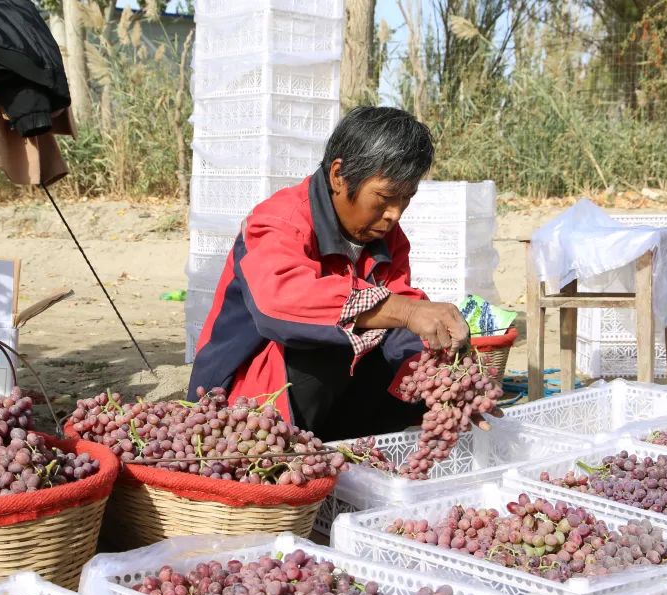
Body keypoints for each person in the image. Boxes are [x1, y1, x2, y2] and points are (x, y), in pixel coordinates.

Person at [187, 106, 470, 440]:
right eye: (384, 197)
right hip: (240, 403)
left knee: (413, 379)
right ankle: (291, 450)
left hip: (325, 400)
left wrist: (445, 384)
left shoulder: (389, 240)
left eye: (406, 198)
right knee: (329, 344)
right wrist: (405, 311)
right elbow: (277, 306)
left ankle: (342, 451)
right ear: (339, 176)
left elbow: (401, 317)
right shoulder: (279, 221)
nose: (394, 213)